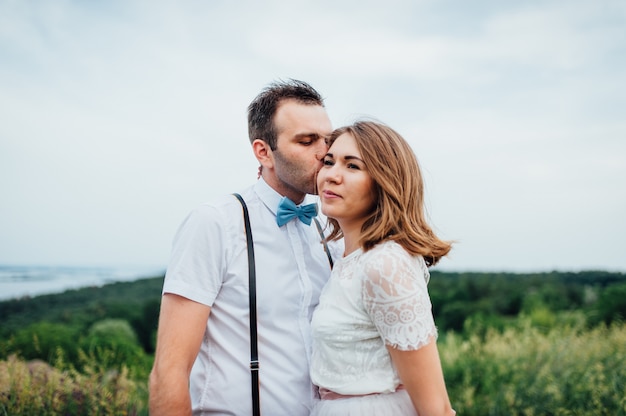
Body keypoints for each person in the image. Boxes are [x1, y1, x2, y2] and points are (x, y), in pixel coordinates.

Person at [149, 79, 342, 415]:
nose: (324, 153)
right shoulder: (214, 223)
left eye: (327, 140)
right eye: (306, 141)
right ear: (263, 151)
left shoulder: (331, 229)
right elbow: (169, 371)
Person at [311, 120, 456, 415]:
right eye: (329, 162)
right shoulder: (348, 260)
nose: (332, 175)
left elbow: (436, 407)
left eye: (352, 166)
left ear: (384, 181)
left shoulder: (385, 264)